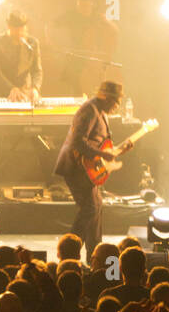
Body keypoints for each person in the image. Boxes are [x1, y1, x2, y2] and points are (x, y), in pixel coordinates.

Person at [54, 78, 127, 256]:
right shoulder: (89, 109)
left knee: (96, 206)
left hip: (85, 169)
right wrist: (103, 155)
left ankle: (95, 253)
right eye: (116, 101)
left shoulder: (100, 112)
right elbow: (78, 142)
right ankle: (69, 252)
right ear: (107, 98)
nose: (117, 105)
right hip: (75, 168)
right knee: (90, 208)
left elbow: (99, 144)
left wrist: (121, 149)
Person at [0, 10, 43, 103]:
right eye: (16, 30)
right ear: (9, 27)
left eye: (22, 29)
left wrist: (35, 88)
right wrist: (11, 88)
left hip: (25, 95)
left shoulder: (33, 43)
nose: (19, 33)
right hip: (3, 94)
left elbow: (37, 70)